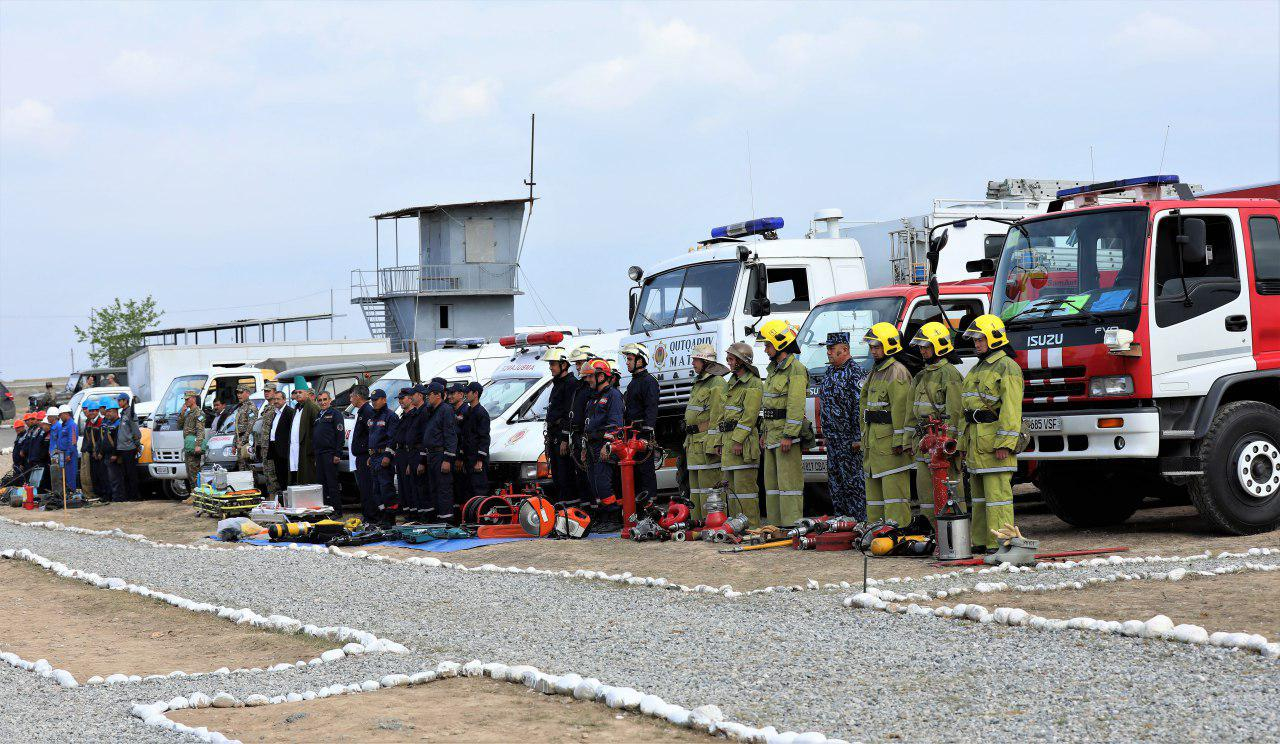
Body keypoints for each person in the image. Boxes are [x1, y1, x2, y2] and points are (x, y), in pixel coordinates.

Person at [958, 314, 1024, 554]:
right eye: (975, 340)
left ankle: (1001, 543)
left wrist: (1005, 443)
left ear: (995, 338)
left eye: (980, 339)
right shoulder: (977, 368)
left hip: (995, 444)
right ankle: (981, 541)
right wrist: (961, 442)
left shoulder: (1008, 367)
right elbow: (965, 409)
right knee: (979, 499)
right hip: (977, 443)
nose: (977, 344)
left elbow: (1011, 410)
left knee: (998, 498)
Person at [904, 321, 966, 526]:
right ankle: (931, 533)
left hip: (942, 443)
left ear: (939, 346)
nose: (922, 351)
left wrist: (953, 445)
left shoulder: (950, 374)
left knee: (949, 490)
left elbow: (956, 413)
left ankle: (953, 533)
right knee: (926, 494)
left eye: (926, 346)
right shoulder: (921, 375)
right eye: (920, 347)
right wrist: (908, 441)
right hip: (923, 443)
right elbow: (911, 413)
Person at [858, 322, 913, 526]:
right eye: (871, 347)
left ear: (889, 345)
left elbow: (902, 412)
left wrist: (901, 441)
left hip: (891, 447)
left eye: (876, 346)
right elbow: (865, 409)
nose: (873, 351)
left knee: (894, 497)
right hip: (874, 446)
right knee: (874, 499)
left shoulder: (897, 372)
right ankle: (875, 532)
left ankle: (896, 533)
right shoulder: (876, 371)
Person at [759, 320, 809, 527]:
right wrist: (763, 432)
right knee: (772, 485)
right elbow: (768, 405)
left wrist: (789, 435)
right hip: (771, 434)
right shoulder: (773, 370)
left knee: (789, 484)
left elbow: (796, 406)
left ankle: (791, 525)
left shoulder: (795, 369)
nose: (765, 349)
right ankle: (776, 524)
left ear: (780, 343)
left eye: (768, 344)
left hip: (785, 436)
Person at [816, 332, 868, 520]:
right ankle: (841, 521)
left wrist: (857, 437)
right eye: (828, 348)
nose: (828, 352)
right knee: (836, 483)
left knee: (854, 482)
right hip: (833, 439)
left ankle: (858, 522)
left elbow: (858, 407)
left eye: (832, 348)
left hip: (849, 440)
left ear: (845, 349)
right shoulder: (830, 371)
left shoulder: (856, 372)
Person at [713, 342, 764, 526]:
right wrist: (719, 441)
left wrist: (737, 440)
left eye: (731, 359)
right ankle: (735, 525)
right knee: (731, 491)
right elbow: (723, 413)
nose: (728, 362)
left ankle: (750, 526)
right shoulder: (731, 383)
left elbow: (749, 416)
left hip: (742, 445)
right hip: (728, 444)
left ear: (743, 361)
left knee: (745, 490)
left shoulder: (754, 383)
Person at [685, 344, 728, 520]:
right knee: (695, 490)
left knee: (710, 489)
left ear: (705, 361)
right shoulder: (699, 382)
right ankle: (698, 523)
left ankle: (712, 523)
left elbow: (718, 416)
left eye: (696, 360)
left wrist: (714, 442)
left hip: (706, 444)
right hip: (694, 443)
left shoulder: (717, 382)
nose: (693, 363)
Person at [581, 359, 623, 521]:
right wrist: (584, 447)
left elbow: (615, 425)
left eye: (590, 376)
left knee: (604, 483)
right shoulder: (593, 398)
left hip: (604, 446)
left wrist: (608, 446)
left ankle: (614, 517)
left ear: (601, 376)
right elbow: (588, 424)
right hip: (592, 446)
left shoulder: (613, 396)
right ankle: (605, 516)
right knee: (595, 484)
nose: (587, 380)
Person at [621, 343, 659, 505]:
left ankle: (650, 508)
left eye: (630, 359)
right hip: (630, 435)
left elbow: (651, 408)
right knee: (634, 472)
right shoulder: (633, 383)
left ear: (640, 360)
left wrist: (646, 436)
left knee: (645, 472)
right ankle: (638, 509)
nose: (627, 362)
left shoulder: (649, 381)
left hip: (642, 436)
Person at [542, 346, 578, 505]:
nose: (550, 367)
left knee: (565, 474)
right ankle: (563, 504)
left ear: (564, 365)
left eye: (553, 364)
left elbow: (569, 413)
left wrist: (565, 437)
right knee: (557, 474)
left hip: (562, 436)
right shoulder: (557, 383)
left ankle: (570, 507)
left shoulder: (570, 384)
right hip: (553, 434)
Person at [419, 382, 458, 522]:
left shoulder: (445, 410)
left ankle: (446, 521)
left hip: (441, 455)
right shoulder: (431, 410)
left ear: (437, 395)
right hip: (431, 455)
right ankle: (437, 520)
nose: (427, 397)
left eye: (429, 394)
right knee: (434, 488)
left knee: (443, 489)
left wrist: (448, 459)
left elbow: (450, 436)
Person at [567, 345, 598, 506]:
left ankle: (595, 508)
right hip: (577, 435)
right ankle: (587, 508)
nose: (578, 367)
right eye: (577, 364)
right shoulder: (580, 387)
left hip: (587, 436)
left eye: (581, 363)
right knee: (581, 474)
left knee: (590, 475)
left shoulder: (591, 389)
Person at [366, 388, 400, 525]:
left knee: (386, 489)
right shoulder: (373, 417)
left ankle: (390, 518)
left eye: (376, 400)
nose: (373, 402)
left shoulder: (390, 416)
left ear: (384, 400)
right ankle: (382, 516)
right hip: (374, 457)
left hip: (384, 457)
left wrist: (387, 455)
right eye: (372, 400)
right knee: (376, 490)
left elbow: (392, 439)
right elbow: (372, 437)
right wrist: (371, 454)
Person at [313, 391, 345, 515]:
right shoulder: (318, 414)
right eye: (320, 400)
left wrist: (338, 454)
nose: (323, 402)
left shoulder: (335, 414)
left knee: (332, 484)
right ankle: (327, 510)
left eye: (325, 399)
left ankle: (337, 511)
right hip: (319, 454)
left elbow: (340, 434)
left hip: (330, 454)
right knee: (322, 484)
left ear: (330, 400)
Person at [103, 398, 141, 501]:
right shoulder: (123, 415)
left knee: (130, 474)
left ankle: (133, 496)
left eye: (121, 400)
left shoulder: (127, 415)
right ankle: (128, 496)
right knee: (124, 475)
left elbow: (134, 431)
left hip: (128, 448)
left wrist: (137, 444)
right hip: (122, 449)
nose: (119, 402)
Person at [394, 387, 422, 518]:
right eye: (399, 399)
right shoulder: (403, 416)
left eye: (402, 398)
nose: (400, 401)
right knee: (403, 486)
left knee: (411, 485)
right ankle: (408, 513)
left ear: (410, 398)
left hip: (409, 452)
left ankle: (414, 514)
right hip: (400, 453)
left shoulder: (414, 415)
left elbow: (415, 438)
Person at [460, 381, 490, 500]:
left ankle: (480, 517)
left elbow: (484, 437)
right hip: (468, 457)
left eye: (468, 392)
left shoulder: (481, 413)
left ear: (476, 393)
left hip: (476, 459)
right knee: (469, 489)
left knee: (479, 489)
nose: (466, 394)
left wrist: (480, 460)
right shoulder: (468, 412)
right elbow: (465, 435)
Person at [348, 385, 375, 513]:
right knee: (363, 489)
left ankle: (371, 515)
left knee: (367, 488)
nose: (350, 399)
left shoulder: (368, 411)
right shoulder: (361, 411)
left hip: (365, 457)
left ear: (358, 396)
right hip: (359, 456)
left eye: (352, 396)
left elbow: (372, 434)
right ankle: (367, 514)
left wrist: (370, 453)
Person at [290, 378, 319, 485]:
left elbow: (317, 429)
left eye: (300, 392)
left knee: (308, 476)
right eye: (296, 393)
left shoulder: (312, 407)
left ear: (307, 394)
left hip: (307, 448)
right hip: (295, 448)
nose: (298, 394)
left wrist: (312, 447)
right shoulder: (296, 408)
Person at [266, 391, 295, 495]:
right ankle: (283, 496)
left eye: (278, 399)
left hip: (285, 451)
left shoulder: (290, 412)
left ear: (284, 399)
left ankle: (288, 498)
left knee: (286, 477)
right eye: (274, 399)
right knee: (279, 476)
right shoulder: (276, 413)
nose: (276, 401)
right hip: (275, 449)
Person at [179, 389, 206, 495]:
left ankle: (197, 494)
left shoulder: (199, 413)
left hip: (194, 446)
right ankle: (193, 494)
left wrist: (198, 445)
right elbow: (179, 425)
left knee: (194, 471)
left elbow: (200, 430)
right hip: (189, 446)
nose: (185, 401)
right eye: (185, 399)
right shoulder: (188, 413)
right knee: (189, 471)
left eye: (187, 399)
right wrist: (182, 413)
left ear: (194, 399)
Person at [447, 383, 470, 507]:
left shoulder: (466, 411)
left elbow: (465, 436)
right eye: (449, 394)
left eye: (452, 393)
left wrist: (460, 456)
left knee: (463, 488)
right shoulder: (451, 411)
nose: (449, 396)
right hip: (452, 454)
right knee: (455, 487)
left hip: (462, 457)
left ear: (461, 395)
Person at [81, 400, 109, 501]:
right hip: (92, 453)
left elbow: (102, 440)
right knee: (94, 475)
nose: (92, 412)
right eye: (90, 411)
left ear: (98, 411)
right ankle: (97, 494)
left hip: (99, 454)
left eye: (94, 411)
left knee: (102, 475)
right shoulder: (90, 423)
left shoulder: (101, 422)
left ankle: (105, 495)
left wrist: (99, 452)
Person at [258, 387, 281, 494]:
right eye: (265, 391)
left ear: (274, 392)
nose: (266, 393)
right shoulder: (266, 407)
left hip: (272, 446)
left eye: (268, 391)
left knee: (273, 474)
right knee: (267, 474)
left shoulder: (276, 408)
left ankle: (277, 498)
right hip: (264, 446)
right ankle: (272, 498)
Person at [233, 385, 257, 471]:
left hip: (247, 442)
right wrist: (234, 444)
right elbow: (237, 428)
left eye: (241, 392)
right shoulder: (241, 407)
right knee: (241, 467)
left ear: (247, 393)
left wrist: (242, 442)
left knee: (248, 468)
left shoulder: (251, 407)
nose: (238, 395)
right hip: (240, 442)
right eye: (238, 393)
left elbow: (251, 426)